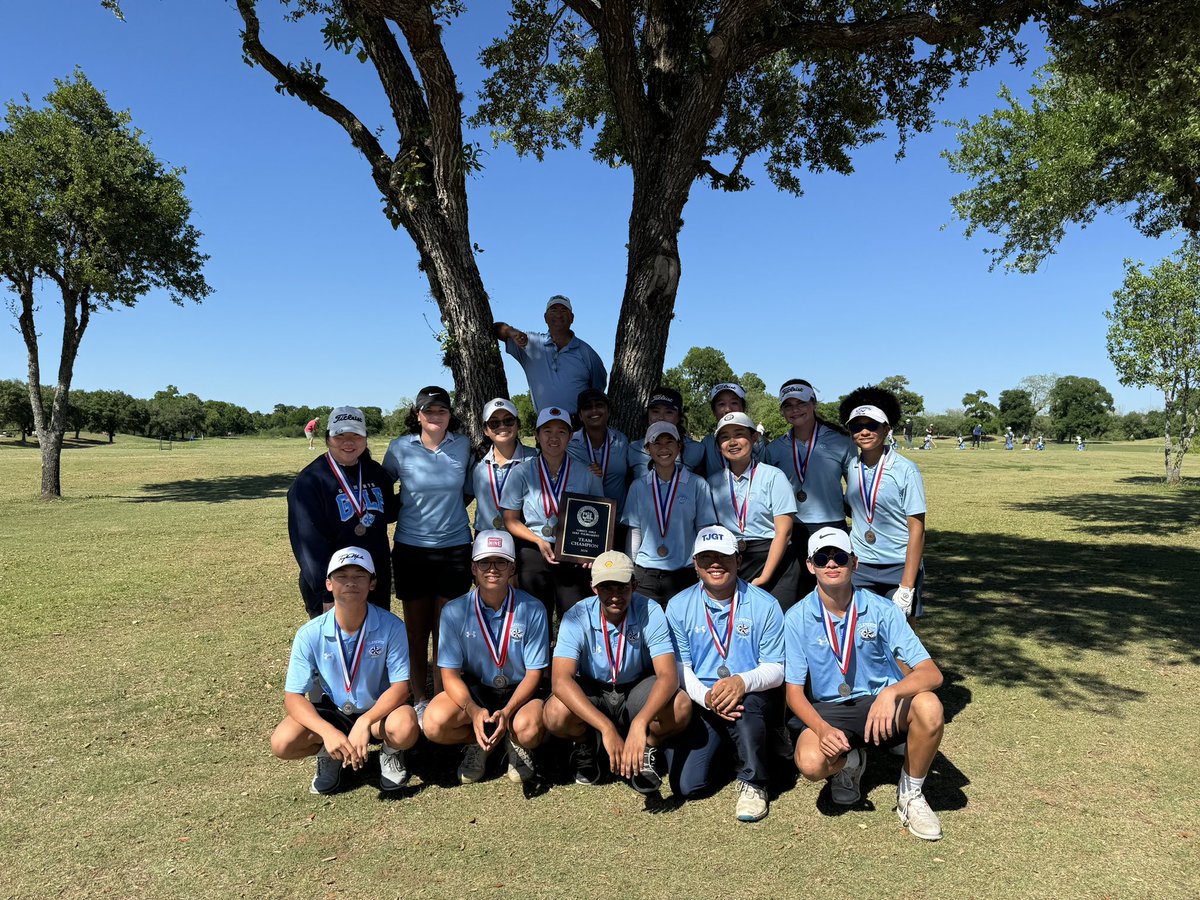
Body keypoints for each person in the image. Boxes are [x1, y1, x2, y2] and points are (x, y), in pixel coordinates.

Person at [785, 527, 946, 840]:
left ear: (854, 563)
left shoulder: (882, 610)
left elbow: (932, 673)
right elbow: (793, 694)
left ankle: (910, 795)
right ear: (810, 566)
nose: (832, 564)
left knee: (929, 706)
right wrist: (822, 730)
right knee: (810, 764)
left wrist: (892, 692)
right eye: (822, 558)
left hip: (881, 706)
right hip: (831, 709)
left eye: (840, 557)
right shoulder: (796, 617)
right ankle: (849, 762)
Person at [271, 547, 420, 794]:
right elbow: (293, 696)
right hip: (335, 712)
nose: (350, 582)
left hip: (379, 713)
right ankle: (329, 753)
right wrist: (326, 731)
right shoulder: (309, 633)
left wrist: (365, 721)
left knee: (405, 726)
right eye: (341, 576)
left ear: (372, 583)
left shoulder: (391, 626)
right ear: (329, 584)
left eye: (360, 576)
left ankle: (391, 753)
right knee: (282, 742)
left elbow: (401, 687)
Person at [665, 526, 786, 822]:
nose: (715, 563)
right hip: (702, 699)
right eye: (706, 557)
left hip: (749, 695)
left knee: (743, 711)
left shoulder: (765, 604)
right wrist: (707, 697)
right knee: (687, 786)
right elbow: (681, 668)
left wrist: (740, 682)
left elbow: (777, 669)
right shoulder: (678, 606)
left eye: (723, 556)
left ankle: (754, 782)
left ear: (738, 560)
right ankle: (735, 753)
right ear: (695, 564)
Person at [544, 551, 691, 792]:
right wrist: (605, 727)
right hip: (594, 690)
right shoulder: (576, 615)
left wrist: (640, 723)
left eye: (622, 587)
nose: (614, 596)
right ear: (594, 588)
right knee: (555, 713)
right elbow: (560, 681)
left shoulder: (650, 611)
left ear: (634, 584)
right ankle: (587, 744)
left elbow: (668, 676)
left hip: (636, 689)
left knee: (681, 706)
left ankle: (646, 748)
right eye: (606, 588)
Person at [422, 531, 549, 787]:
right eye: (484, 562)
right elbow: (449, 674)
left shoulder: (533, 608)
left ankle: (514, 739)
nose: (492, 569)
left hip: (519, 691)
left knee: (530, 729)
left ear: (512, 567)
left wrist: (508, 710)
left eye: (500, 562)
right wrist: (473, 709)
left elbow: (534, 674)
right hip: (476, 690)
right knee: (434, 723)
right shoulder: (454, 611)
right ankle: (479, 741)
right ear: (473, 568)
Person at [382, 386, 473, 722]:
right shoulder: (399, 448)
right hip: (411, 550)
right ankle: (418, 696)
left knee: (446, 630)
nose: (436, 417)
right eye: (429, 411)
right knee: (416, 630)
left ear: (450, 415)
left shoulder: (463, 446)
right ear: (417, 415)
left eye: (442, 411)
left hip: (454, 549)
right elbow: (380, 485)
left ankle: (442, 698)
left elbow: (466, 492)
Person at [288, 405, 397, 618]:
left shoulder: (375, 472)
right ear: (328, 438)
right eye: (340, 435)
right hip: (334, 585)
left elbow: (389, 513)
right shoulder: (310, 481)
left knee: (375, 645)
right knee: (336, 648)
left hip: (374, 581)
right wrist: (326, 593)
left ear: (365, 438)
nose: (348, 442)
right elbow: (307, 544)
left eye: (356, 435)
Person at [500, 406, 603, 618]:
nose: (554, 437)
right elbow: (510, 520)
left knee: (574, 615)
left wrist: (591, 551)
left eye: (561, 431)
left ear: (570, 436)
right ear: (537, 435)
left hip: (573, 553)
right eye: (547, 431)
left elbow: (599, 518)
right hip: (534, 549)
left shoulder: (586, 474)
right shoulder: (522, 472)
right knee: (535, 615)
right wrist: (538, 541)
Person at [765, 379, 855, 600]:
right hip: (790, 530)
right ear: (782, 411)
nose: (795, 410)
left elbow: (856, 489)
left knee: (833, 593)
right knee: (795, 595)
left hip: (831, 525)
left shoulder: (841, 442)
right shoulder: (775, 448)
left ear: (813, 403)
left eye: (801, 403)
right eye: (788, 405)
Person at [841, 389, 926, 619]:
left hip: (898, 565)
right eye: (857, 427)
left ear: (887, 429)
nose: (864, 431)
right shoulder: (851, 467)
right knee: (863, 635)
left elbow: (917, 528)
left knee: (901, 642)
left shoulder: (906, 470)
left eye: (872, 425)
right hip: (861, 565)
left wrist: (907, 586)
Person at [709, 411, 801, 609]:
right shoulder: (713, 483)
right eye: (724, 437)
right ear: (718, 446)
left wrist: (765, 576)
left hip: (775, 561)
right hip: (734, 561)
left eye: (739, 434)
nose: (732, 442)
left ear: (754, 437)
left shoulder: (774, 476)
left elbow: (783, 533)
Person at [621, 422, 718, 604]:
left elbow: (703, 531)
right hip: (646, 573)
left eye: (669, 442)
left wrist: (701, 567)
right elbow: (635, 533)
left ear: (679, 446)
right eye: (656, 443)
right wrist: (631, 571)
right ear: (647, 449)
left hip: (684, 572)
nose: (663, 448)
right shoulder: (638, 486)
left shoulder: (697, 484)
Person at [492, 295, 607, 414]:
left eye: (563, 310)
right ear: (545, 317)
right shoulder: (528, 343)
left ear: (572, 318)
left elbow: (598, 390)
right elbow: (495, 329)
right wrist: (510, 331)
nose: (558, 314)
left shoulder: (587, 352)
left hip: (578, 426)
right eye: (553, 310)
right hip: (545, 427)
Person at [470, 398, 537, 535]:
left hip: (525, 538)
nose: (502, 426)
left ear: (518, 424)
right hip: (486, 537)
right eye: (494, 423)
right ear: (485, 430)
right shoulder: (476, 462)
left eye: (508, 421)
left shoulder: (536, 459)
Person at [567, 388, 630, 511]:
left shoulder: (621, 440)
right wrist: (584, 473)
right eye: (587, 407)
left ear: (608, 411)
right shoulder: (569, 444)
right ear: (580, 415)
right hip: (583, 521)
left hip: (617, 520)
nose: (594, 410)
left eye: (599, 405)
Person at [625, 385, 705, 473]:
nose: (661, 418)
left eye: (668, 412)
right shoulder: (634, 449)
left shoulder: (696, 449)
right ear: (648, 415)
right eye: (655, 411)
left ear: (679, 417)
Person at [696, 382, 765, 476]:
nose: (728, 409)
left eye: (734, 403)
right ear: (714, 411)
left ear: (743, 408)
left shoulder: (758, 441)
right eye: (721, 404)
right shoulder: (706, 443)